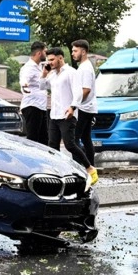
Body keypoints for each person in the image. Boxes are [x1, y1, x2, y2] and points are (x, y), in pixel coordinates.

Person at [40, 47, 98, 185]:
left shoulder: (71, 72)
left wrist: (73, 107)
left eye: (52, 59)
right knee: (52, 146)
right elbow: (42, 86)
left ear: (61, 58)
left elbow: (78, 93)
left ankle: (90, 168)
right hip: (54, 115)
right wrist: (44, 74)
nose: (50, 62)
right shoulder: (52, 74)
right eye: (48, 60)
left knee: (70, 144)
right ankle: (57, 173)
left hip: (68, 115)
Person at [71, 39, 97, 167]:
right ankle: (91, 167)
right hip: (87, 107)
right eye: (72, 51)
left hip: (84, 108)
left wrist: (74, 104)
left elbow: (86, 89)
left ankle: (79, 168)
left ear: (83, 51)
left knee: (73, 140)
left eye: (75, 51)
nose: (73, 54)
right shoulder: (83, 66)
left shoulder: (86, 68)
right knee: (86, 139)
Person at [19, 41, 49, 145]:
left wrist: (45, 76)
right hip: (32, 106)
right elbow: (24, 79)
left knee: (44, 139)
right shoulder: (29, 67)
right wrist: (24, 85)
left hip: (40, 106)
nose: (47, 54)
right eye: (45, 51)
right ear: (39, 53)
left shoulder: (39, 66)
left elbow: (43, 85)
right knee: (33, 139)